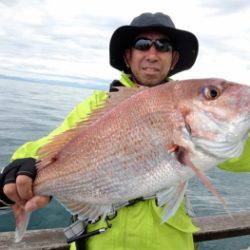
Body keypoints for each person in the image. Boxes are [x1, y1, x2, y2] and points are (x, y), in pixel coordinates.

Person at [0, 12, 250, 250]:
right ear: (128, 56)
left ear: (173, 59)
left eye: (163, 46)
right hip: (99, 241)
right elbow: (49, 146)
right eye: (143, 44)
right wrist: (21, 166)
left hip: (168, 242)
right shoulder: (97, 105)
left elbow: (241, 159)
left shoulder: (218, 128)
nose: (153, 54)